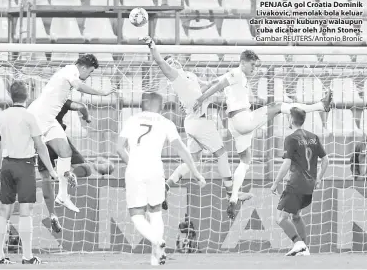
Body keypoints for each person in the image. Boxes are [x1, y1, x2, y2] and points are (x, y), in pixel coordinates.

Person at [193, 50, 332, 219]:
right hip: (242, 118)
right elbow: (218, 86)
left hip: (235, 125)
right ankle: (320, 105)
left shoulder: (235, 76)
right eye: (252, 65)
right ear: (243, 62)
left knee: (245, 160)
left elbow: (214, 81)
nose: (255, 69)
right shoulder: (236, 73)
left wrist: (201, 85)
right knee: (279, 105)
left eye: (256, 66)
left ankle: (233, 198)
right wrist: (200, 100)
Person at [140, 36, 253, 213]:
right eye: (170, 61)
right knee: (222, 155)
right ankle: (231, 194)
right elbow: (161, 62)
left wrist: (229, 78)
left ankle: (166, 186)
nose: (173, 61)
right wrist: (153, 46)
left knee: (194, 159)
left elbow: (209, 83)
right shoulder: (175, 78)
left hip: (193, 122)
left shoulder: (189, 75)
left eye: (174, 59)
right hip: (199, 122)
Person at [116, 92, 206, 266]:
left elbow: (119, 148)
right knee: (155, 211)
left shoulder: (132, 120)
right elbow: (182, 150)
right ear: (162, 106)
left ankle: (157, 240)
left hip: (135, 169)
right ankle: (155, 258)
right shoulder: (166, 123)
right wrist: (195, 172)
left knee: (136, 215)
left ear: (142, 104)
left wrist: (133, 164)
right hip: (156, 169)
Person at [27, 54, 116, 213]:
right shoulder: (70, 71)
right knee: (22, 157)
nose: (88, 76)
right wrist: (102, 93)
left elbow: (80, 101)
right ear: (82, 67)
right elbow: (79, 86)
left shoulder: (68, 72)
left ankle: (62, 195)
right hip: (38, 117)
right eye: (89, 72)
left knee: (65, 152)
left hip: (49, 119)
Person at [0, 81, 58, 264]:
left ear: (11, 96)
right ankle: (27, 256)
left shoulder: (1, 116)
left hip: (6, 165)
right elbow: (40, 146)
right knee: (25, 211)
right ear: (27, 95)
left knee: (3, 210)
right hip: (25, 165)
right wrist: (52, 170)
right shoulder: (29, 117)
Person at [270, 107, 329, 256]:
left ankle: (298, 243)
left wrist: (276, 182)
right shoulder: (314, 137)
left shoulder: (291, 138)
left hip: (296, 183)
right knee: (295, 216)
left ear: (291, 119)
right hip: (309, 185)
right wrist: (319, 178)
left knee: (280, 217)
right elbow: (325, 159)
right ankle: (304, 248)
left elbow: (287, 164)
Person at [38, 99, 93, 233]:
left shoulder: (37, 103)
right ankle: (71, 174)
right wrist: (87, 117)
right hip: (58, 138)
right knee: (86, 168)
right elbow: (81, 106)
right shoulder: (62, 101)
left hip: (41, 140)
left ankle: (52, 214)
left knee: (46, 178)